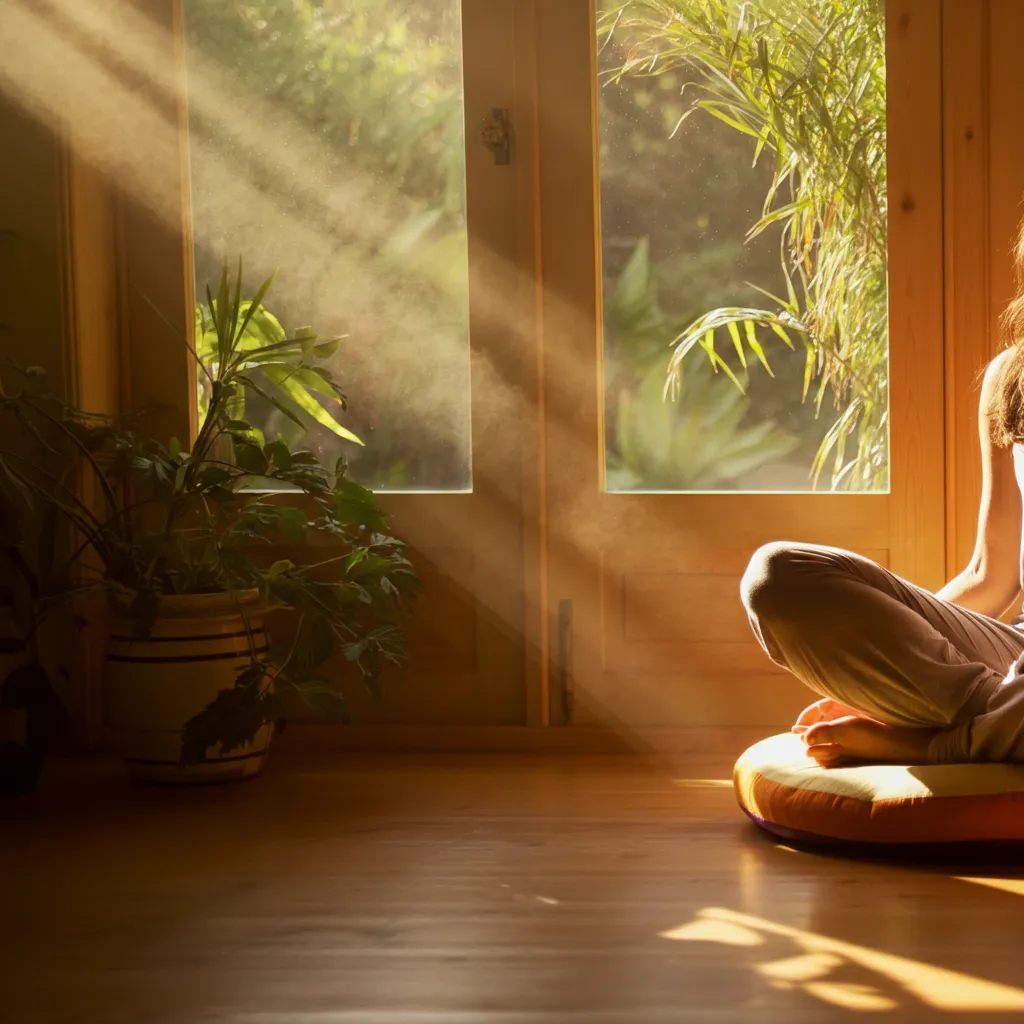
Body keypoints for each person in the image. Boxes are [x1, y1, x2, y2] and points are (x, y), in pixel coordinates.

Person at [741, 329, 1024, 768]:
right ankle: (995, 722)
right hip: (1014, 653)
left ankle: (932, 743)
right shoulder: (1012, 377)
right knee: (778, 576)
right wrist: (889, 685)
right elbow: (991, 573)